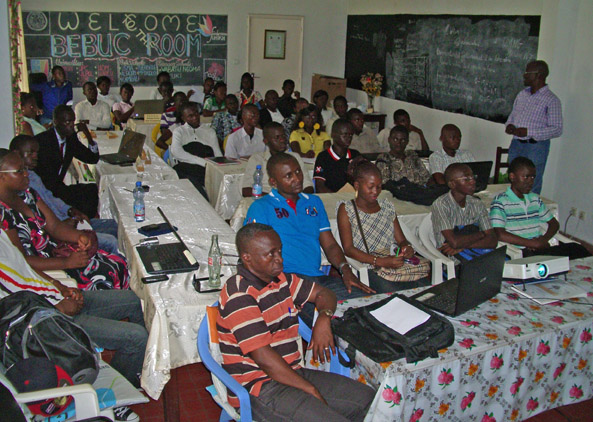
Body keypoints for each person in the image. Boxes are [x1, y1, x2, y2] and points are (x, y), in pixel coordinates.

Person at [217, 223, 375, 421]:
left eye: (279, 251)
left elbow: (324, 293)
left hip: (291, 373)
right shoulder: (239, 295)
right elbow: (264, 359)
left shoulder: (280, 279)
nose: (280, 259)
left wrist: (324, 317)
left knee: (368, 399)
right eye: (270, 254)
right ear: (247, 258)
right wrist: (309, 389)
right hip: (258, 387)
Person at [0, 229, 146, 421]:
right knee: (136, 337)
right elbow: (10, 319)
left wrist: (61, 287)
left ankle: (134, 371)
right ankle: (117, 400)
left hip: (56, 298)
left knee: (135, 300)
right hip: (50, 324)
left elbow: (25, 267)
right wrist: (59, 309)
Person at [244, 152, 374, 324]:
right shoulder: (261, 207)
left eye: (298, 171)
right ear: (273, 182)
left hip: (318, 279)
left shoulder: (314, 203)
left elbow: (330, 245)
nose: (297, 179)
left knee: (369, 305)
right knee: (339, 321)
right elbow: (252, 254)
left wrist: (345, 270)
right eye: (288, 176)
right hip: (287, 281)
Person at [0, 150, 128, 291]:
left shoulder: (27, 194)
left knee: (118, 263)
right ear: (1, 176)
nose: (26, 174)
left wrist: (79, 236)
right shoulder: (3, 215)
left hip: (57, 253)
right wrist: (66, 262)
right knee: (108, 274)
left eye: (25, 168)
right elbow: (21, 260)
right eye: (19, 171)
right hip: (47, 270)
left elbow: (54, 226)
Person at [10, 135, 119, 255]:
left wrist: (70, 210)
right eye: (31, 153)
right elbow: (44, 226)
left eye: (36, 152)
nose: (35, 156)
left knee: (114, 225)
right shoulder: (19, 191)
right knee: (111, 241)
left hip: (65, 220)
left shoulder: (32, 176)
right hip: (58, 232)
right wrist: (64, 225)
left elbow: (50, 197)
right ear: (16, 154)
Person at [337, 158, 430, 293]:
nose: (376, 191)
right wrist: (380, 261)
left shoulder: (387, 207)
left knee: (425, 288)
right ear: (357, 185)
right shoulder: (347, 209)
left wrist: (406, 248)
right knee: (395, 293)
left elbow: (401, 240)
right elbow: (348, 249)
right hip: (369, 267)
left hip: (391, 264)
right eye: (370, 187)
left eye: (379, 186)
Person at [490, 157, 589, 259]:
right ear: (512, 177)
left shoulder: (534, 199)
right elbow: (499, 233)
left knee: (577, 248)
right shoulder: (501, 201)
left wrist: (543, 240)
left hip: (540, 247)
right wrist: (532, 243)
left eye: (533, 177)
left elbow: (554, 224)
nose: (530, 181)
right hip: (521, 251)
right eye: (526, 177)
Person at [505, 60, 563, 194]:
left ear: (539, 75)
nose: (524, 75)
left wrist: (529, 132)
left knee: (531, 184)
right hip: (516, 144)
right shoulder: (522, 94)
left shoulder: (551, 100)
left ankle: (531, 206)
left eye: (527, 72)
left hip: (535, 147)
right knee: (513, 180)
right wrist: (510, 125)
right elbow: (512, 116)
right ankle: (512, 205)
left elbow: (557, 129)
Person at [35, 105, 100, 218]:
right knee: (79, 198)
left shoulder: (70, 139)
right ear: (55, 122)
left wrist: (88, 135)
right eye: (67, 122)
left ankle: (87, 222)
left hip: (58, 187)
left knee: (91, 189)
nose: (71, 126)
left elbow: (92, 158)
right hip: (44, 190)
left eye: (73, 121)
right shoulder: (43, 141)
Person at [431, 163, 497, 260]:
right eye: (466, 179)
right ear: (452, 184)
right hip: (451, 258)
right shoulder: (441, 204)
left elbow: (493, 240)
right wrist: (482, 234)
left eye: (473, 177)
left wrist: (464, 246)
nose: (473, 181)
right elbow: (454, 242)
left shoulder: (477, 203)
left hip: (475, 254)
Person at [241, 122, 313, 197]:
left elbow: (308, 186)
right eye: (277, 138)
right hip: (266, 200)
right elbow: (246, 190)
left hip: (294, 200)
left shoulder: (295, 157)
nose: (282, 140)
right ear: (266, 141)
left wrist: (298, 198)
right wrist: (277, 199)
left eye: (283, 136)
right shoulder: (257, 159)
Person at [170, 102, 221, 197]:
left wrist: (215, 166)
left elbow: (217, 154)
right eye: (190, 116)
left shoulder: (209, 131)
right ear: (183, 118)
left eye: (196, 113)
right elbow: (176, 151)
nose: (195, 118)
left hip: (206, 168)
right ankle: (202, 198)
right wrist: (201, 161)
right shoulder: (179, 131)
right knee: (177, 171)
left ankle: (203, 198)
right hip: (187, 166)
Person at [313, 119, 361, 193]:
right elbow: (320, 187)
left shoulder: (355, 155)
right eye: (345, 134)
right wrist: (337, 197)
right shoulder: (323, 157)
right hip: (331, 197)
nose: (348, 138)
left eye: (351, 135)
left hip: (353, 196)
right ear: (333, 135)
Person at [155, 89, 186, 156]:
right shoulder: (169, 118)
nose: (183, 103)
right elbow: (163, 137)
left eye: (185, 101)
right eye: (180, 101)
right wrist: (173, 152)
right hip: (172, 145)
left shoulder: (188, 120)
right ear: (174, 103)